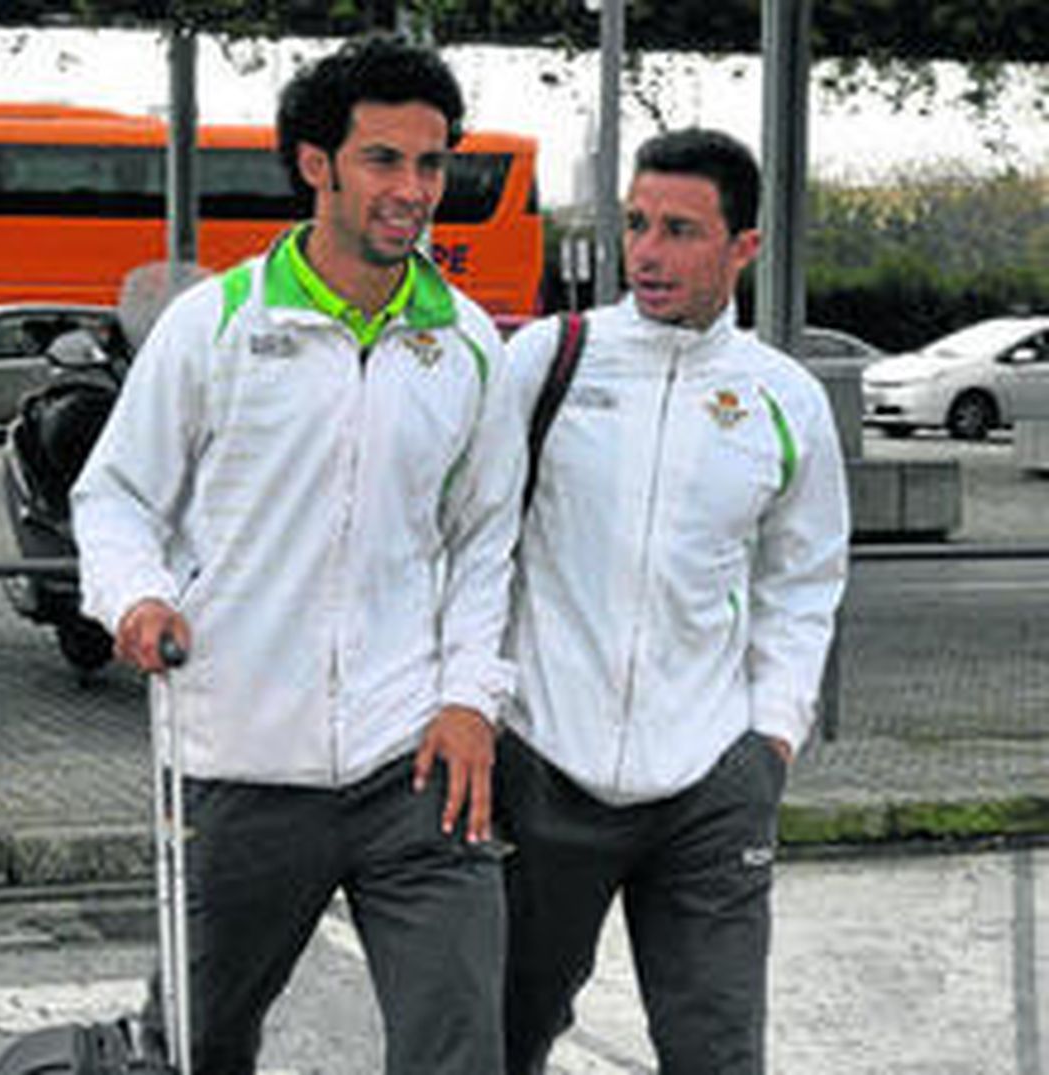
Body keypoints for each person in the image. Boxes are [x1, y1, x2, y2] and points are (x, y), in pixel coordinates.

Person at [71, 35, 520, 1074]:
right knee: (198, 1044)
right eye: (384, 160)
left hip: (415, 760)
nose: (414, 190)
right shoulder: (216, 325)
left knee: (461, 1043)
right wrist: (135, 598)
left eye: (432, 162)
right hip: (240, 760)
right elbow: (117, 497)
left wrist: (471, 700)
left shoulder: (463, 344)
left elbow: (485, 539)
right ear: (315, 164)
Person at [496, 128, 851, 1074]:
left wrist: (771, 735)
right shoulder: (548, 361)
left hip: (711, 786)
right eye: (638, 224)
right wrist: (484, 705)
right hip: (540, 764)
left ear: (744, 247)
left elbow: (804, 579)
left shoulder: (785, 398)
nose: (647, 253)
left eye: (681, 230)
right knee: (502, 1035)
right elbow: (475, 545)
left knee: (718, 1052)